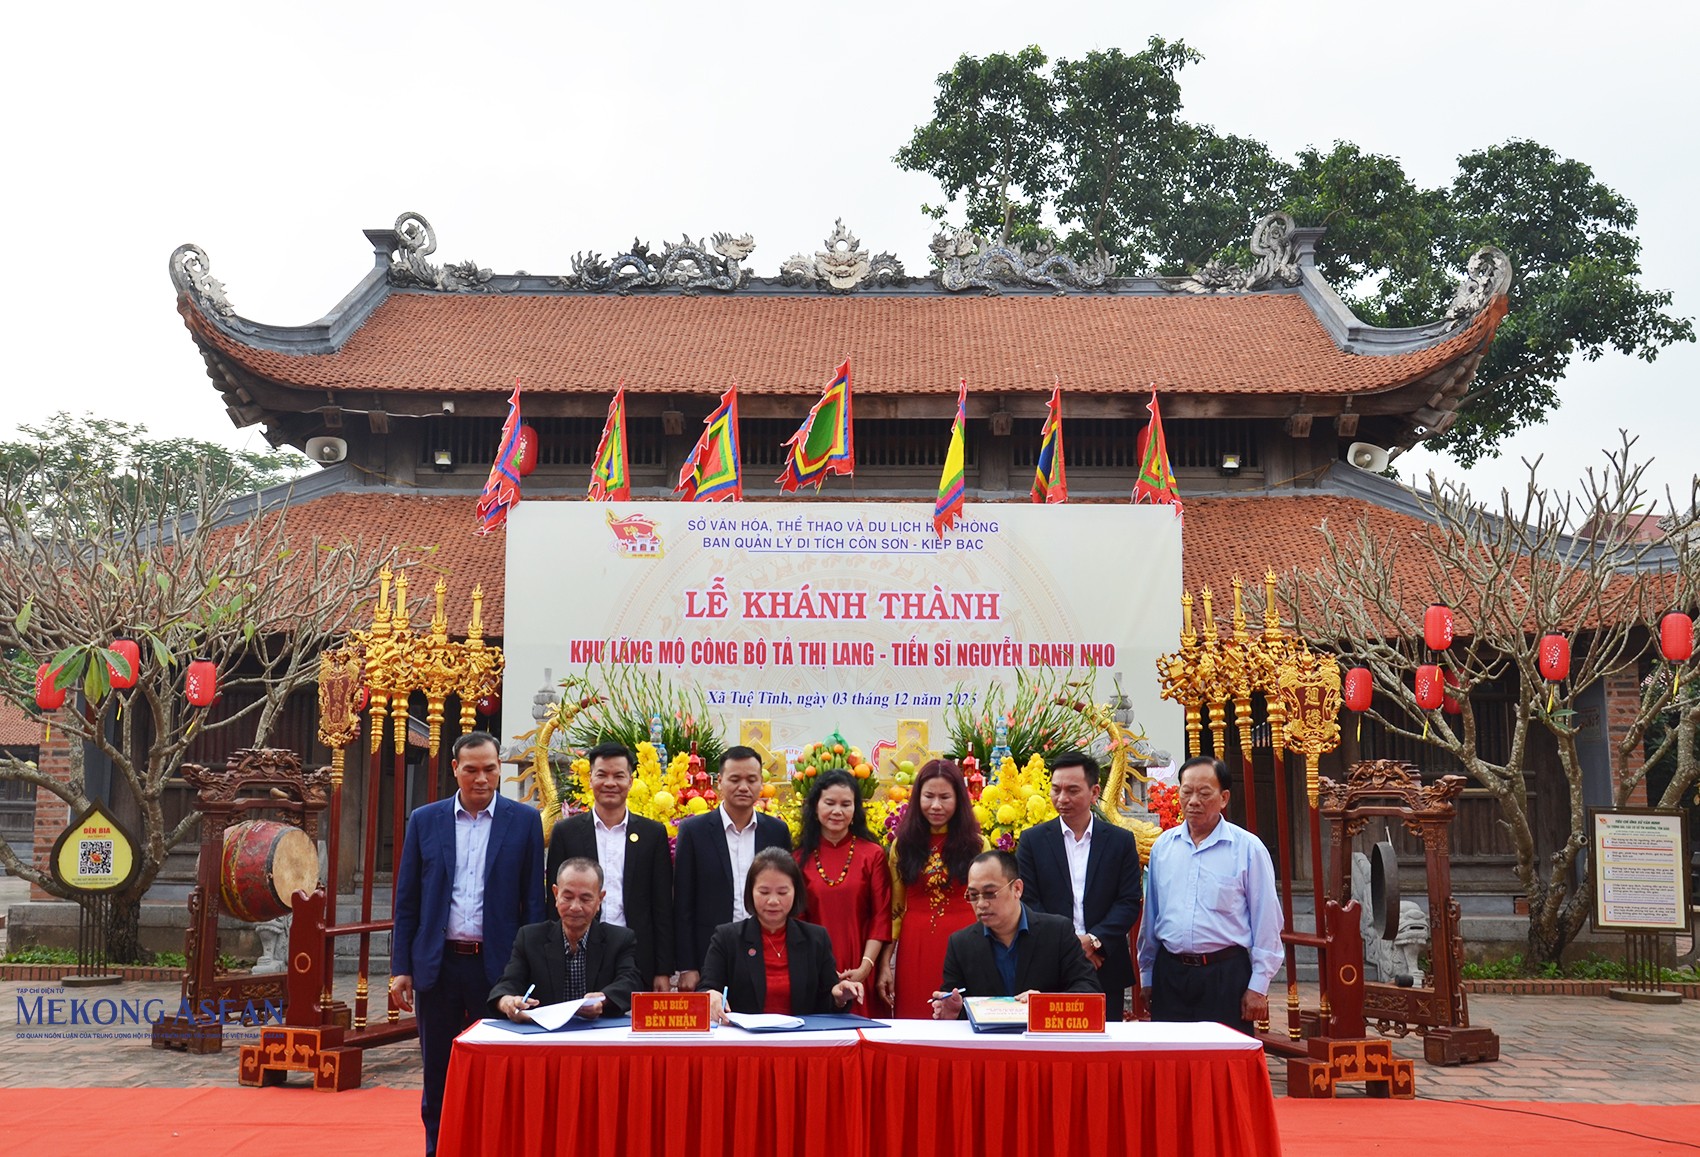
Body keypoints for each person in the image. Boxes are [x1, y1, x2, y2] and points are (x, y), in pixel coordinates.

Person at [391, 731, 546, 1155]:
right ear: (455, 769)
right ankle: (438, 1148)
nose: (481, 779)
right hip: (438, 965)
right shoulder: (426, 820)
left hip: (498, 970)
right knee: (438, 1073)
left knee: (497, 1071)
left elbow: (533, 904)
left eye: (490, 769)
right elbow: (408, 900)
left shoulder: (524, 822)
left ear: (499, 769)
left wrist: (529, 971)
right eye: (472, 770)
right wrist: (401, 967)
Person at [1137, 755, 1284, 1036]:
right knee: (1172, 1056)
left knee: (1223, 1058)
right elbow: (1151, 918)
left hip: (1224, 975)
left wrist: (1258, 986)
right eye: (1187, 792)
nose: (1194, 801)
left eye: (1204, 793)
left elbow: (1267, 920)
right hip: (1171, 974)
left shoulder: (1248, 849)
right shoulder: (1163, 847)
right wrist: (1147, 974)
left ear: (1224, 798)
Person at [1015, 751, 1143, 1020]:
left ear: (1094, 792)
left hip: (1104, 963)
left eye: (1072, 790)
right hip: (1049, 963)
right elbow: (1029, 901)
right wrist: (1070, 947)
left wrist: (1094, 941)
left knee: (1103, 1039)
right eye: (1056, 789)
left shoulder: (1120, 841)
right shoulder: (1032, 841)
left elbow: (1128, 901)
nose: (1062, 798)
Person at [545, 740, 674, 992]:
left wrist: (663, 969)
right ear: (590, 778)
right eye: (602, 775)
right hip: (579, 951)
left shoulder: (652, 834)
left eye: (619, 776)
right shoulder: (566, 832)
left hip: (637, 953)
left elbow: (662, 905)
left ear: (631, 781)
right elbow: (554, 902)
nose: (610, 783)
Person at [673, 745, 792, 990]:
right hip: (710, 951)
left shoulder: (776, 831)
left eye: (751, 780)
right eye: (735, 779)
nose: (743, 787)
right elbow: (683, 902)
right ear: (719, 782)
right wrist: (687, 966)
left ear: (761, 783)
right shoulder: (694, 831)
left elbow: (787, 891)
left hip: (766, 948)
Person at [931, 851, 1101, 1019]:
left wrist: (1045, 1003)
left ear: (1017, 889)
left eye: (990, 893)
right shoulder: (961, 944)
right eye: (974, 895)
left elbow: (1089, 990)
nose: (981, 904)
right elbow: (954, 1001)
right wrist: (953, 1012)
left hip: (1043, 1033)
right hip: (988, 1036)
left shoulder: (1057, 932)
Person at [701, 847, 864, 1020]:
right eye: (764, 892)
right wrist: (711, 995)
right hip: (743, 1035)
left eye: (782, 892)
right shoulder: (727, 938)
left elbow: (827, 1002)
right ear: (750, 892)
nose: (773, 901)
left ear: (796, 892)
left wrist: (840, 997)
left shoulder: (816, 938)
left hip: (802, 1035)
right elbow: (707, 987)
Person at [877, 759, 981, 1019]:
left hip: (966, 943)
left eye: (945, 797)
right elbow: (895, 911)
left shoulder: (977, 845)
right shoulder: (903, 846)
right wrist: (885, 963)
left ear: (959, 800)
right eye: (929, 796)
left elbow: (986, 906)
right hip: (916, 945)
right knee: (916, 1017)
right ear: (917, 798)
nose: (936, 805)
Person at [489, 857, 642, 1020]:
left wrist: (603, 999)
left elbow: (630, 982)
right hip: (544, 1031)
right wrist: (507, 1002)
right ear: (556, 894)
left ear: (600, 899)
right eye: (567, 897)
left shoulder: (619, 939)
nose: (575, 907)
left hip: (598, 1029)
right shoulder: (530, 938)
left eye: (585, 899)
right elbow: (509, 983)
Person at [794, 770, 893, 1017]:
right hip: (814, 967)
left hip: (863, 964)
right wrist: (822, 971)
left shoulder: (872, 854)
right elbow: (797, 922)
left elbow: (881, 917)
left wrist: (865, 968)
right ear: (815, 807)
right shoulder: (798, 859)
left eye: (845, 804)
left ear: (855, 810)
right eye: (829, 803)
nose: (837, 811)